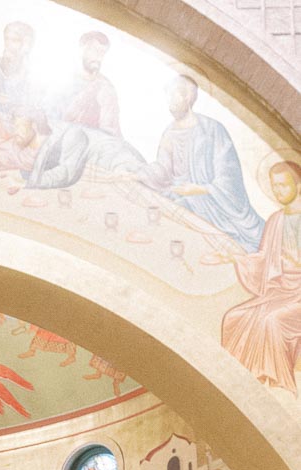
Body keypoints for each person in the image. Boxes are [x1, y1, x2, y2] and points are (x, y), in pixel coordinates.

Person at [138, 74, 263, 254]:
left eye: (174, 96)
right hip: (180, 196)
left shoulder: (212, 130)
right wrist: (139, 173)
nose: (170, 102)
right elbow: (163, 169)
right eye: (168, 97)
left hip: (213, 203)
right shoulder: (169, 133)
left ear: (188, 97)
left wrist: (200, 189)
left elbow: (229, 175)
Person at [221, 160, 301, 395]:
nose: (278, 191)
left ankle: (277, 385)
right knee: (235, 316)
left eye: (283, 185)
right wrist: (236, 258)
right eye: (274, 186)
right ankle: (239, 382)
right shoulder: (276, 220)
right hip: (279, 291)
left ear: (298, 184)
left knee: (272, 321)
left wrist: (293, 263)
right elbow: (264, 258)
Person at [58, 31, 121, 136]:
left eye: (103, 53)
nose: (99, 57)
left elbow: (109, 130)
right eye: (95, 50)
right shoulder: (61, 77)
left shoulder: (105, 89)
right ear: (82, 48)